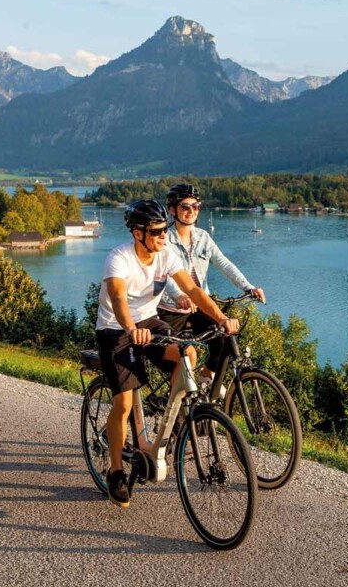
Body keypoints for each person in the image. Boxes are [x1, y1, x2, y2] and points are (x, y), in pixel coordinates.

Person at [96, 199, 239, 508]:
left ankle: (169, 421)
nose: (164, 236)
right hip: (116, 329)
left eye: (164, 230)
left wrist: (221, 318)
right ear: (138, 233)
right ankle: (117, 471)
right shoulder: (118, 259)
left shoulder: (165, 254)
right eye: (157, 231)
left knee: (188, 353)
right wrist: (131, 328)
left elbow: (194, 291)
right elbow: (119, 298)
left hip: (150, 322)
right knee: (122, 403)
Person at [159, 183, 264, 382]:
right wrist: (179, 295)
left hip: (199, 304)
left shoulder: (203, 237)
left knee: (224, 337)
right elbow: (163, 275)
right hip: (171, 309)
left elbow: (224, 263)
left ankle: (206, 378)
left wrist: (248, 287)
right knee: (181, 358)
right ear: (173, 210)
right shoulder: (164, 240)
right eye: (185, 206)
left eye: (195, 206)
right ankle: (177, 406)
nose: (191, 211)